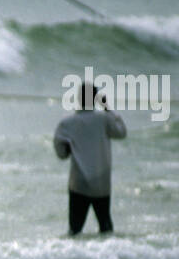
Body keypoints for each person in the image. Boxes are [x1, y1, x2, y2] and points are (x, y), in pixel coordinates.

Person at [54, 82, 126, 234]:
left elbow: (61, 153)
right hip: (101, 183)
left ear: (79, 98)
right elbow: (122, 132)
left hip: (79, 183)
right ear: (95, 99)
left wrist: (67, 150)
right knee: (106, 228)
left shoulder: (67, 123)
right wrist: (108, 109)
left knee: (75, 229)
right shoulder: (104, 119)